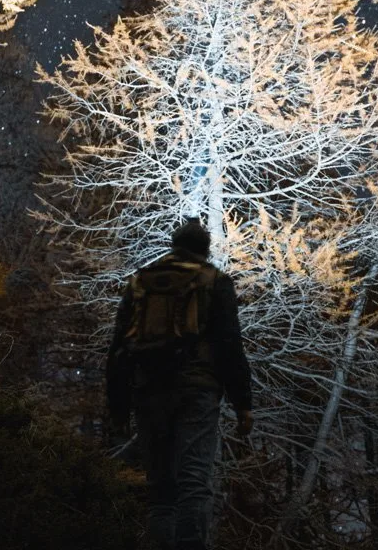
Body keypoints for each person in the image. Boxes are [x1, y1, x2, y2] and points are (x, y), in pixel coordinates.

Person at [106, 217, 254, 550]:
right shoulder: (214, 281)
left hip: (148, 391)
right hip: (197, 391)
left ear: (174, 245)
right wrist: (242, 402)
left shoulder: (141, 282)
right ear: (205, 250)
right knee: (193, 481)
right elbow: (230, 344)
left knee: (161, 491)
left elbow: (118, 349)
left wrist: (118, 406)